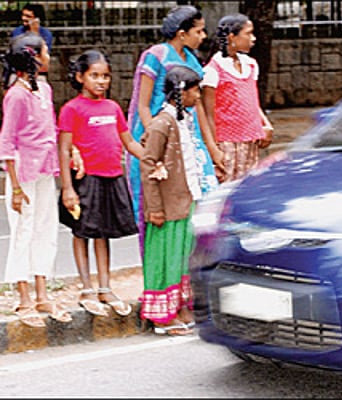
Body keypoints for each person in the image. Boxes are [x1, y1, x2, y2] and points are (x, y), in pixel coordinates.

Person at [127, 5, 223, 257]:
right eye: (199, 31)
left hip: (189, 138)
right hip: (160, 138)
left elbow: (199, 106)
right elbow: (144, 106)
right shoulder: (156, 55)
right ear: (182, 33)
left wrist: (211, 148)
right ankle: (159, 276)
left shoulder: (192, 60)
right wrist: (155, 144)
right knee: (160, 208)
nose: (203, 37)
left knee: (201, 201)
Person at [57, 49, 144, 318]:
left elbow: (128, 141)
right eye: (94, 75)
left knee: (103, 233)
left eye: (105, 76)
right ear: (81, 77)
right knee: (82, 232)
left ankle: (105, 287)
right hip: (85, 180)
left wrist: (151, 158)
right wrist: (68, 187)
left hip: (112, 177)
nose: (101, 81)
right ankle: (86, 288)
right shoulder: (72, 109)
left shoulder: (113, 107)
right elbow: (63, 149)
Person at [0, 32, 72, 328]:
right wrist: (15, 188)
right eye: (45, 52)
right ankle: (23, 298)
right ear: (33, 58)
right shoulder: (15, 95)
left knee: (45, 229)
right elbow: (7, 143)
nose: (50, 57)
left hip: (45, 170)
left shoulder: (44, 89)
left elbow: (50, 130)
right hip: (23, 175)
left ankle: (43, 293)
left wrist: (73, 152)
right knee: (23, 231)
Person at [139, 65, 203, 335]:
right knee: (165, 259)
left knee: (183, 258)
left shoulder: (183, 119)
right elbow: (148, 164)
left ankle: (181, 306)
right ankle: (162, 316)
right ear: (181, 92)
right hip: (166, 207)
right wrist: (154, 209)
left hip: (185, 200)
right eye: (195, 90)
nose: (198, 96)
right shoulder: (162, 124)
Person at [202, 13, 274, 182]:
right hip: (227, 143)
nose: (253, 38)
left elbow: (252, 100)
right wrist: (214, 149)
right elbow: (208, 114)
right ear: (232, 37)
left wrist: (265, 124)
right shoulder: (213, 70)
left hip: (250, 140)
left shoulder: (250, 64)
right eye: (248, 33)